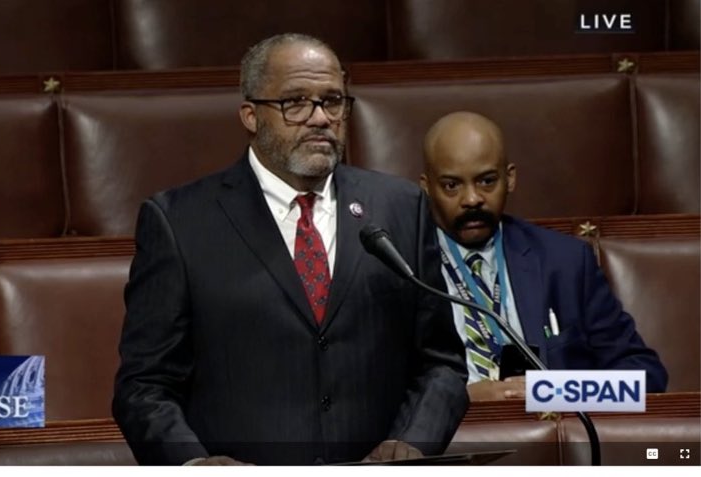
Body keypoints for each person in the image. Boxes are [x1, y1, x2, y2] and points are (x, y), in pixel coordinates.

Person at [112, 33, 469, 465]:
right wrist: (192, 464)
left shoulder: (399, 208)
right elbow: (144, 384)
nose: (320, 118)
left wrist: (414, 443)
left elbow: (441, 362)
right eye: (295, 102)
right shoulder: (180, 221)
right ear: (250, 115)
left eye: (333, 101)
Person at [419, 111, 668, 402]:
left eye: (487, 181)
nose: (472, 199)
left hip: (553, 435)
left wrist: (548, 392)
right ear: (427, 187)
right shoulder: (401, 267)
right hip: (450, 441)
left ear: (509, 179)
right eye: (452, 185)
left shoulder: (565, 262)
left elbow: (645, 378)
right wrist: (460, 401)